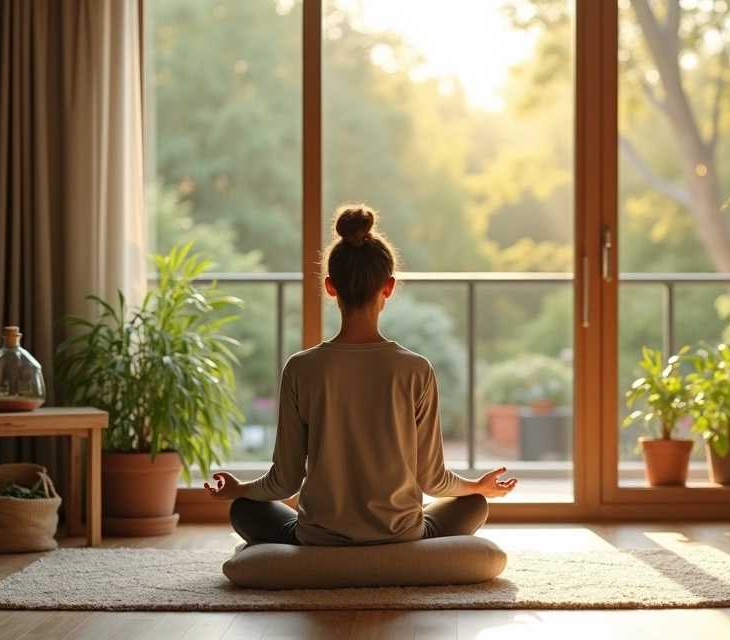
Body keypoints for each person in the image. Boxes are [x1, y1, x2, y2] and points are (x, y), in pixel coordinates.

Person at [205, 204, 517, 546]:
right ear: (388, 287)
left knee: (243, 510)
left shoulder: (300, 368)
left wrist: (240, 489)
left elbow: (284, 482)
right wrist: (478, 487)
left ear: (329, 286)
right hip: (401, 536)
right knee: (473, 506)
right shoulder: (416, 369)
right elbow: (433, 480)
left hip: (319, 538)